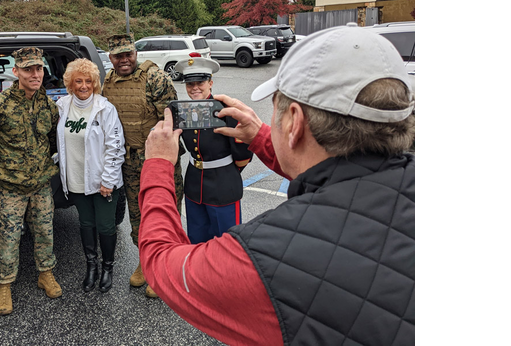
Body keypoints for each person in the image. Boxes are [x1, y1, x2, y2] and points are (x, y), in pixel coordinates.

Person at [138, 24, 415, 345]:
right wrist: (260, 136)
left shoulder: (260, 257)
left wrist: (157, 165)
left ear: (294, 122)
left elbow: (161, 263)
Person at [0, 46, 63, 316]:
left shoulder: (48, 105)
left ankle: (45, 274)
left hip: (40, 184)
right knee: (8, 238)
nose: (35, 74)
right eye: (28, 69)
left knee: (45, 232)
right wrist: (7, 166)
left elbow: (50, 140)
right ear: (16, 71)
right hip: (9, 187)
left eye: (38, 68)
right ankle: (4, 286)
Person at [101, 33, 184, 298]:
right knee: (137, 217)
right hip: (128, 162)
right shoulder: (108, 81)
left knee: (164, 214)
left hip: (158, 161)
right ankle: (146, 262)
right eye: (119, 55)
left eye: (129, 54)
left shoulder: (155, 78)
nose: (125, 60)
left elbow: (173, 118)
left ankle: (165, 270)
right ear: (111, 57)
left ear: (135, 53)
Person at [55, 58, 126, 293]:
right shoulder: (62, 106)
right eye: (78, 81)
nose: (83, 86)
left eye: (88, 81)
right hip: (76, 179)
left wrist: (108, 180)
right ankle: (91, 267)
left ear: (94, 83)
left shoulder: (105, 108)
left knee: (105, 226)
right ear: (70, 84)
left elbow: (116, 147)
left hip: (102, 181)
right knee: (86, 224)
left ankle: (107, 268)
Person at [173, 58, 253, 243]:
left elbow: (243, 152)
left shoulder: (226, 111)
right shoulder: (183, 111)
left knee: (227, 242)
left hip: (223, 185)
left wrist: (228, 173)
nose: (195, 88)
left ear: (210, 82)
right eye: (190, 84)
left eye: (200, 83)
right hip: (194, 185)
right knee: (197, 240)